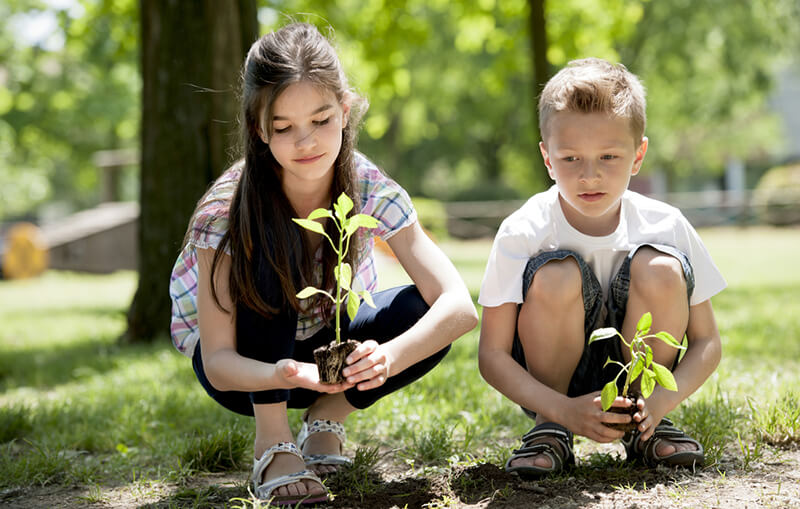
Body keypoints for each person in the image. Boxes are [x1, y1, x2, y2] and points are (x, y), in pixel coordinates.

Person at [169, 22, 478, 505]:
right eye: (283, 127)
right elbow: (219, 363)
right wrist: (283, 375)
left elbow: (460, 305)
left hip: (331, 354)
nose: (306, 141)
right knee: (273, 245)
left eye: (321, 119)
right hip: (250, 368)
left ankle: (326, 418)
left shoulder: (367, 185)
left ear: (345, 110)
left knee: (424, 310)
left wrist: (387, 359)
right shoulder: (226, 212)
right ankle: (273, 441)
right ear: (257, 127)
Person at [477, 58, 725, 477]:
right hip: (553, 384)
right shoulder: (523, 230)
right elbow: (492, 354)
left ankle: (645, 426)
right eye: (571, 158)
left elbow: (707, 342)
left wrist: (662, 399)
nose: (589, 175)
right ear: (547, 158)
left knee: (661, 268)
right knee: (556, 274)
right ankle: (551, 429)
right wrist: (561, 409)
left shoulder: (667, 224)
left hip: (643, 381)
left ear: (638, 154)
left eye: (608, 156)